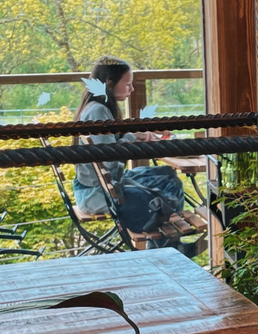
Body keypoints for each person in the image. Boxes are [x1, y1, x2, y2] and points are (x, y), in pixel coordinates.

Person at [72, 55, 194, 254]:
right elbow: (111, 159)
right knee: (167, 189)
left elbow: (111, 146)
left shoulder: (99, 109)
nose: (132, 89)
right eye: (128, 84)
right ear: (110, 84)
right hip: (97, 193)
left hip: (103, 186)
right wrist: (132, 138)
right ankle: (166, 248)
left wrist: (134, 135)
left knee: (168, 176)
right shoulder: (98, 112)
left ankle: (163, 245)